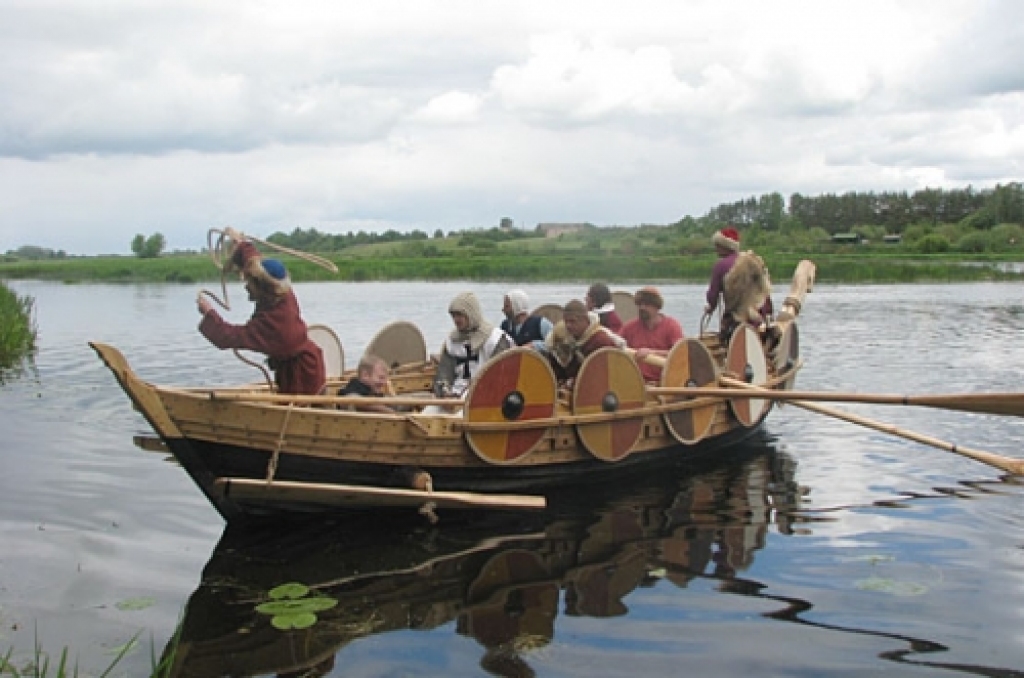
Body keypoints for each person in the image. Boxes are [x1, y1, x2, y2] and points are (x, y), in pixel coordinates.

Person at [196, 232, 325, 395]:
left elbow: (229, 336)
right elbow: (253, 260)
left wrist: (208, 313)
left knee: (300, 410)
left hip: (301, 375)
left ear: (263, 288)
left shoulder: (273, 324)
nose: (246, 287)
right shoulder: (281, 293)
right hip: (305, 364)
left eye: (249, 283)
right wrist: (241, 244)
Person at [433, 292, 513, 398]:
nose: (456, 320)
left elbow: (502, 375)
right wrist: (445, 391)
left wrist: (477, 386)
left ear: (471, 313)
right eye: (453, 315)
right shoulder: (452, 341)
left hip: (484, 397)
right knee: (429, 412)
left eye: (459, 315)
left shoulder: (495, 338)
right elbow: (444, 375)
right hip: (454, 396)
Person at [704, 225, 773, 339]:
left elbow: (712, 297)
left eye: (717, 245)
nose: (715, 248)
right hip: (760, 317)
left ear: (724, 246)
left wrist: (710, 307)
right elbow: (764, 290)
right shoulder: (752, 261)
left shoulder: (721, 266)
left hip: (736, 321)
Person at [546, 299, 624, 383]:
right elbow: (555, 369)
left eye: (572, 321)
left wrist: (573, 383)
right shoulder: (561, 338)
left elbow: (605, 373)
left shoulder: (601, 340)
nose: (568, 326)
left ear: (585, 320)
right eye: (566, 322)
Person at [620, 286, 684, 382]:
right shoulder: (629, 328)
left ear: (656, 307)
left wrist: (652, 352)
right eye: (640, 304)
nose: (642, 307)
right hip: (636, 382)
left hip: (664, 383)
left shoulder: (671, 326)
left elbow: (680, 354)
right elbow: (615, 346)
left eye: (646, 304)